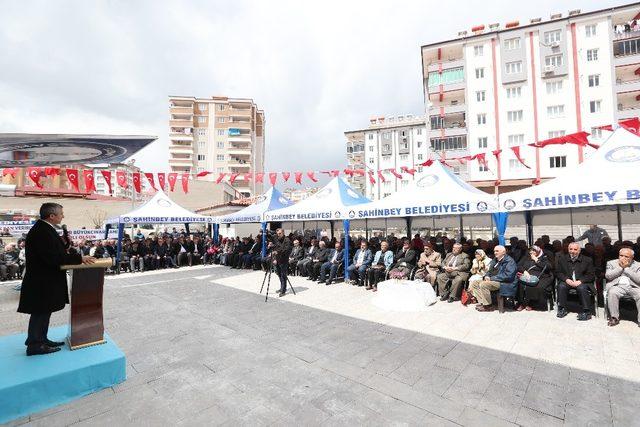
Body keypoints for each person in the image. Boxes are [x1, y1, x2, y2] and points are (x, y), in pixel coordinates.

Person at [17, 203, 95, 356]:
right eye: (61, 214)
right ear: (51, 216)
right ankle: (35, 344)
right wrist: (79, 258)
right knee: (40, 311)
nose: (63, 216)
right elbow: (53, 257)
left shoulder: (45, 229)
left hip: (45, 280)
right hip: (42, 281)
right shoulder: (41, 231)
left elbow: (55, 251)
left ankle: (41, 339)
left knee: (45, 310)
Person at [555, 242, 596, 321]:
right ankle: (562, 309)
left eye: (575, 249)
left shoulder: (587, 260)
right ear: (568, 249)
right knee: (561, 286)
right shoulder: (562, 259)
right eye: (570, 249)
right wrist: (566, 279)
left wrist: (580, 281)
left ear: (579, 250)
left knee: (582, 288)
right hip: (568, 280)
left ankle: (586, 311)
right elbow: (558, 272)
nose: (572, 251)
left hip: (581, 282)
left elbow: (591, 275)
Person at [472, 245, 517, 312]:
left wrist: (492, 278)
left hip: (505, 282)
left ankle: (488, 306)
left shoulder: (509, 261)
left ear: (503, 252)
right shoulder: (495, 260)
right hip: (494, 280)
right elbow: (489, 271)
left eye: (497, 251)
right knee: (475, 283)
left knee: (483, 284)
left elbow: (508, 275)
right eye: (494, 251)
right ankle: (483, 302)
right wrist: (487, 276)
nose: (495, 252)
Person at [605, 247, 640, 327]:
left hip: (634, 286)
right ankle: (614, 318)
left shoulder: (638, 265)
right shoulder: (611, 263)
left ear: (632, 257)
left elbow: (639, 279)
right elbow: (608, 276)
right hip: (617, 286)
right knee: (612, 292)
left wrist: (627, 269)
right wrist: (620, 268)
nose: (623, 258)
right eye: (621, 255)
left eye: (626, 256)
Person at [516, 245, 554, 311]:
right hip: (527, 275)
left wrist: (536, 260)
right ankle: (521, 303)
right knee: (520, 284)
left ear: (539, 251)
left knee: (537, 286)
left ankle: (533, 304)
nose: (532, 252)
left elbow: (548, 267)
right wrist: (524, 271)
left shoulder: (545, 256)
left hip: (542, 276)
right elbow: (518, 265)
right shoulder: (527, 256)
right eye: (531, 250)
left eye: (534, 250)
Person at [271, 228, 292, 297]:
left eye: (280, 233)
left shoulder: (287, 240)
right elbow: (275, 247)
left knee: (283, 275)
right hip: (278, 259)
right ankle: (282, 287)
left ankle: (283, 290)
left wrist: (277, 252)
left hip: (284, 260)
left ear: (283, 233)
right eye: (277, 234)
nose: (278, 235)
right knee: (279, 274)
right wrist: (272, 246)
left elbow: (286, 250)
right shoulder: (277, 239)